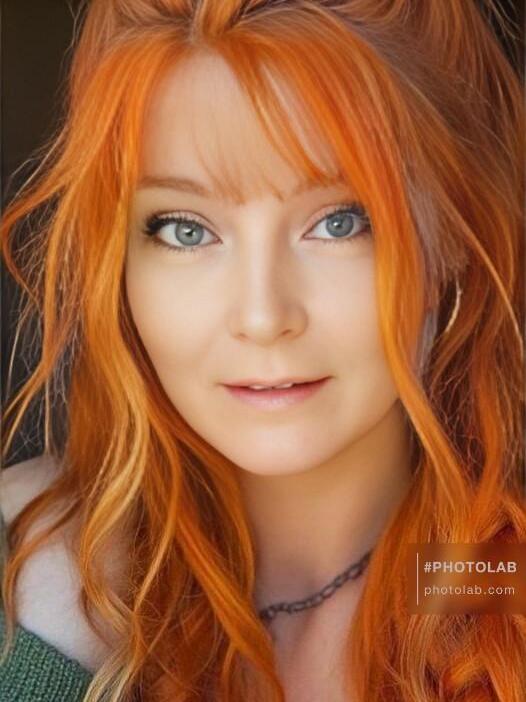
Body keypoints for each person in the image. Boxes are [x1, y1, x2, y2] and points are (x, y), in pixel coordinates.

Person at [1, 1, 524, 701]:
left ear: (453, 235)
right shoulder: (29, 572)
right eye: (186, 230)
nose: (262, 317)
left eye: (339, 222)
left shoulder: (485, 578)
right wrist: (49, 650)